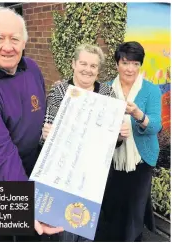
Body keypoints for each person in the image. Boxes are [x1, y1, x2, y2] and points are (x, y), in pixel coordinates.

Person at [0, 7, 63, 242]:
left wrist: (46, 129)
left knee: (33, 233)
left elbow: (37, 111)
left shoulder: (33, 68)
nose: (7, 46)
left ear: (24, 42)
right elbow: (0, 151)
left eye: (14, 39)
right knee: (1, 236)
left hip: (28, 167)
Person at [40, 43, 130, 242]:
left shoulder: (107, 95)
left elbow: (114, 143)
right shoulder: (59, 92)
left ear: (98, 70)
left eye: (93, 66)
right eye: (83, 63)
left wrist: (121, 135)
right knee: (64, 229)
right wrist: (46, 135)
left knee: (88, 224)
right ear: (73, 64)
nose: (87, 70)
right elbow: (44, 137)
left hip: (93, 175)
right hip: (64, 174)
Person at [101, 41, 162, 242]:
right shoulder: (106, 89)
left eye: (135, 64)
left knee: (135, 210)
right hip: (113, 158)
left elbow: (155, 127)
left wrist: (138, 114)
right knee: (114, 206)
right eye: (125, 62)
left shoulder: (151, 90)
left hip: (141, 160)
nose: (130, 69)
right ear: (117, 63)